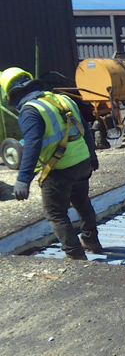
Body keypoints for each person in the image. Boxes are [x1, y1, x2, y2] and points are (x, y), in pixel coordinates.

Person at [0, 67, 103, 259]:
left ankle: (75, 255)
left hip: (61, 168)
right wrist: (92, 155)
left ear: (11, 93)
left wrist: (23, 179)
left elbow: (32, 145)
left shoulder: (30, 110)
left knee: (55, 212)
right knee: (82, 203)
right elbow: (84, 129)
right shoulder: (62, 99)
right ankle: (91, 241)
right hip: (82, 162)